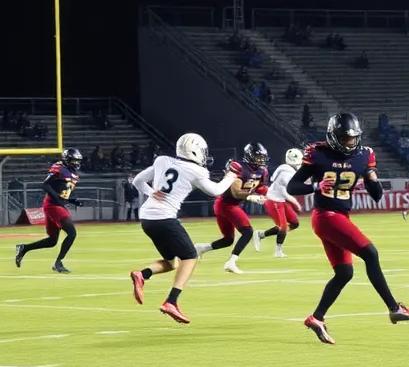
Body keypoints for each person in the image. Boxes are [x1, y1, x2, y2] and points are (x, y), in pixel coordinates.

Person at [287, 113, 409, 344]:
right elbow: (293, 185)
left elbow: (377, 195)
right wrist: (316, 185)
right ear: (335, 137)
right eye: (346, 139)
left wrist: (371, 177)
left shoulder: (364, 155)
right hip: (326, 215)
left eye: (353, 138)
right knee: (371, 253)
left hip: (340, 215)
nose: (351, 142)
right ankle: (393, 307)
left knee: (345, 273)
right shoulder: (318, 153)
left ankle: (316, 318)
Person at [129, 133, 236, 324]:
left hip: (146, 217)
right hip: (165, 217)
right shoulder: (196, 171)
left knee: (172, 263)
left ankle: (142, 274)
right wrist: (231, 176)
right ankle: (171, 301)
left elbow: (137, 181)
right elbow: (216, 191)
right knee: (191, 256)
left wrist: (151, 192)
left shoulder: (162, 160)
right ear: (194, 150)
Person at [15, 148, 84, 273]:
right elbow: (45, 184)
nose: (76, 163)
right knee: (72, 233)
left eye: (77, 160)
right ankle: (58, 263)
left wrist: (72, 200)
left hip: (58, 204)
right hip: (52, 205)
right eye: (74, 160)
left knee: (52, 241)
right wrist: (57, 198)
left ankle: (24, 248)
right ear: (67, 160)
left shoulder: (71, 172)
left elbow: (62, 191)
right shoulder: (59, 168)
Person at [207, 143, 270, 275]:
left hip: (230, 205)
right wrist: (251, 196)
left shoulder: (262, 171)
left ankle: (200, 249)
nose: (260, 160)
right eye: (258, 157)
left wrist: (265, 193)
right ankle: (231, 262)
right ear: (250, 155)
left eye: (262, 157)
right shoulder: (239, 167)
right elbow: (236, 192)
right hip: (225, 204)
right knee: (248, 232)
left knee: (228, 240)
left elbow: (260, 188)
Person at [258, 148, 304, 258]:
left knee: (294, 223)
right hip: (275, 200)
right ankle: (278, 251)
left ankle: (261, 234)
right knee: (282, 227)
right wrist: (295, 202)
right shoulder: (286, 172)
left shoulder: (287, 169)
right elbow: (283, 191)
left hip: (280, 200)